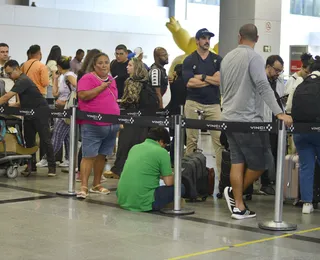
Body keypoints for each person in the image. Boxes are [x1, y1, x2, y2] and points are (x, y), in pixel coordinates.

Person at [220, 24, 292, 220]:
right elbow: (262, 86)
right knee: (262, 164)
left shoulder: (227, 58)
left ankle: (239, 207)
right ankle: (236, 196)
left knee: (238, 161)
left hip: (228, 118)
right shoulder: (254, 58)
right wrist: (279, 113)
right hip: (249, 121)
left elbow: (222, 87)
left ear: (239, 36)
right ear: (257, 38)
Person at [76, 53, 120, 199]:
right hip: (93, 124)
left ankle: (96, 184)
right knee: (89, 156)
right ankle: (83, 187)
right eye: (100, 63)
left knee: (102, 156)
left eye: (106, 62)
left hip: (111, 125)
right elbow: (83, 96)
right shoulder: (87, 78)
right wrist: (101, 87)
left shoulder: (112, 79)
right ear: (94, 65)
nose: (103, 65)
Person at [1, 60, 55, 176]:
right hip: (29, 113)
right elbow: (22, 101)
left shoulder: (23, 80)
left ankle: (52, 167)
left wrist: (3, 102)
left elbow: (7, 96)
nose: (9, 76)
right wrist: (10, 106)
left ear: (16, 69)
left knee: (45, 140)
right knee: (29, 140)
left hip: (40, 112)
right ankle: (31, 166)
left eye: (10, 73)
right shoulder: (19, 81)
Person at [182, 28, 223, 179]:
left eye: (208, 38)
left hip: (213, 104)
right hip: (193, 102)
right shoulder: (189, 60)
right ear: (197, 41)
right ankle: (188, 177)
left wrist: (203, 77)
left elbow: (219, 81)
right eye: (204, 38)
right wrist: (210, 81)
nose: (207, 41)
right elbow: (189, 83)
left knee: (218, 140)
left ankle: (221, 178)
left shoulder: (217, 59)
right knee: (191, 139)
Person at [117, 127, 184, 211]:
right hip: (143, 201)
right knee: (180, 187)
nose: (164, 147)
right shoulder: (161, 152)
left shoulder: (135, 147)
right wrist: (176, 177)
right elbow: (169, 182)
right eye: (165, 145)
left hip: (123, 199)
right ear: (161, 141)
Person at [104, 57, 150, 179]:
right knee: (138, 143)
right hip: (142, 117)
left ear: (136, 68)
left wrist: (119, 102)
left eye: (130, 65)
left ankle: (118, 170)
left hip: (129, 115)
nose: (127, 67)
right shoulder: (145, 81)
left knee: (124, 144)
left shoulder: (130, 81)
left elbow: (131, 99)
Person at [37, 56, 77, 169]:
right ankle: (69, 159)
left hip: (67, 110)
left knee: (57, 134)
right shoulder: (63, 77)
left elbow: (79, 88)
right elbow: (55, 94)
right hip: (62, 111)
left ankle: (46, 159)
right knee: (67, 137)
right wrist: (55, 79)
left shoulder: (69, 76)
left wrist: (65, 101)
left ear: (59, 67)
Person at [292, 57, 320, 214]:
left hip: (300, 131)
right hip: (318, 130)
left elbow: (289, 107)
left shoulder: (300, 83)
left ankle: (307, 204)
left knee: (306, 167)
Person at [259, 55, 286, 195]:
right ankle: (264, 183)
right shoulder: (260, 80)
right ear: (268, 67)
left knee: (275, 151)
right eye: (276, 70)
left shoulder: (279, 81)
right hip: (262, 121)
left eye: (280, 71)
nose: (278, 73)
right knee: (265, 152)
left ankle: (273, 180)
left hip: (276, 121)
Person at [166, 64, 187, 165]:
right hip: (184, 111)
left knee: (175, 136)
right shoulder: (187, 83)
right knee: (183, 136)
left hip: (174, 112)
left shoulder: (173, 84)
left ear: (175, 72)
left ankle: (173, 159)